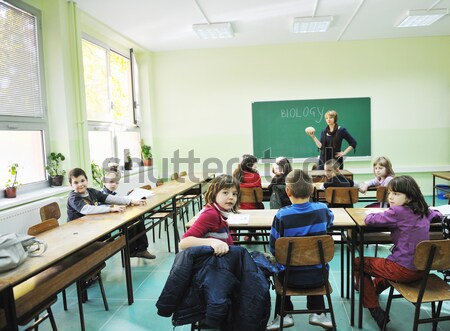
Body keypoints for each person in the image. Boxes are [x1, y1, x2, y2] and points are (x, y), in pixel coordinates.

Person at [353, 176, 443, 329]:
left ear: (409, 197)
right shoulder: (424, 211)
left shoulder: (398, 211)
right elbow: (438, 214)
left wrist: (374, 213)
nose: (391, 197)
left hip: (402, 270)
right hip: (421, 270)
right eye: (390, 193)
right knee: (388, 267)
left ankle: (374, 309)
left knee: (358, 263)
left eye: (396, 194)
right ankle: (371, 290)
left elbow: (370, 220)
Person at [267, 169, 334, 330]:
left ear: (287, 191)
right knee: (315, 261)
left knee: (280, 263)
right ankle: (318, 312)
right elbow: (330, 224)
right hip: (319, 278)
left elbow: (274, 248)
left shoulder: (282, 215)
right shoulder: (322, 210)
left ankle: (284, 315)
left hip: (290, 279)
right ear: (312, 190)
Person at [66, 168, 155, 259]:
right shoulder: (73, 197)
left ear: (87, 180)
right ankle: (131, 250)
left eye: (82, 181)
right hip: (79, 232)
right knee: (126, 225)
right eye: (76, 183)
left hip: (92, 225)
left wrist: (131, 201)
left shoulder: (91, 191)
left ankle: (139, 250)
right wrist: (110, 208)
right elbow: (86, 209)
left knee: (134, 219)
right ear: (71, 185)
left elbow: (109, 198)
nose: (80, 184)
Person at [101, 167, 156, 259]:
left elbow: (119, 200)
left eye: (117, 182)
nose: (114, 184)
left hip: (117, 216)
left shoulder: (113, 193)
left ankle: (142, 249)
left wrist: (128, 195)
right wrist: (111, 207)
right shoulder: (101, 194)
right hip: (108, 220)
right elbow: (100, 206)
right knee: (130, 223)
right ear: (104, 182)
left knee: (139, 218)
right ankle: (131, 250)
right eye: (111, 182)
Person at [179, 174, 240, 256]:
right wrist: (213, 242)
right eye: (225, 192)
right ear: (215, 194)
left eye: (234, 194)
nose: (231, 197)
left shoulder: (221, 213)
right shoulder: (211, 214)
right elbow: (184, 243)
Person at [232, 154, 264, 241]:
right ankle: (251, 233)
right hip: (254, 207)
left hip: (238, 206)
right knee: (259, 205)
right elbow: (260, 192)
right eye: (254, 164)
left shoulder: (236, 174)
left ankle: (233, 234)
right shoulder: (256, 176)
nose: (256, 166)